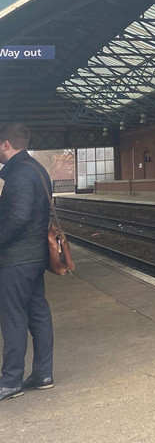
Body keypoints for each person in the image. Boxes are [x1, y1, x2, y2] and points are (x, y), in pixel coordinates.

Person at [0, 122, 55, 401]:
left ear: (6, 144)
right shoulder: (37, 169)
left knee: (13, 317)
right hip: (35, 256)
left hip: (16, 259)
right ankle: (43, 374)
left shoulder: (19, 174)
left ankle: (10, 381)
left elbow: (18, 217)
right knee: (38, 313)